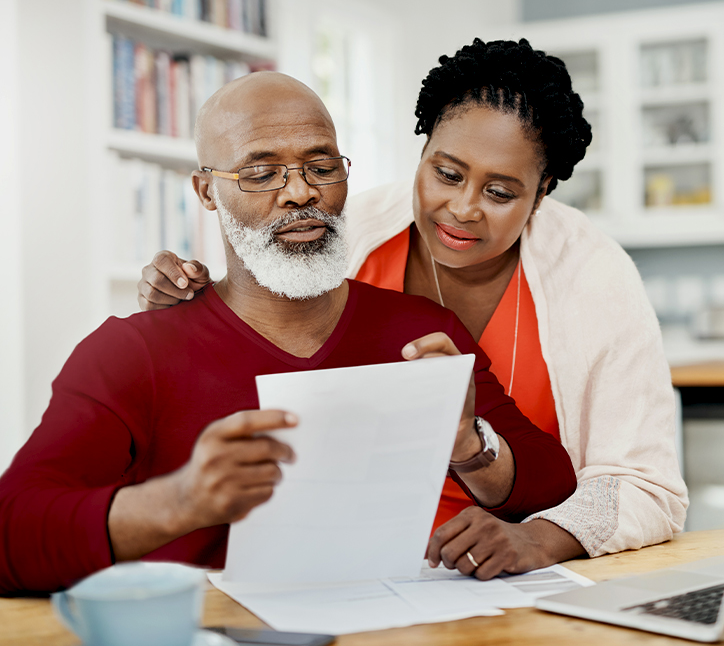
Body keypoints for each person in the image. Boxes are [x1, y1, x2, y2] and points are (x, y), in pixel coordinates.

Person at [0, 72, 575, 595]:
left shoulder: (424, 332)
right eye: (261, 172)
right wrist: (181, 501)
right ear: (207, 192)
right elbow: (12, 533)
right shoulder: (130, 352)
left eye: (321, 167)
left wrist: (468, 445)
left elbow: (551, 481)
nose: (300, 192)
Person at [139, 39, 688, 577]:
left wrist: (538, 540)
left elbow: (647, 486)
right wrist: (183, 304)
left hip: (506, 572)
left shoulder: (594, 277)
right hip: (346, 558)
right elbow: (255, 346)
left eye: (500, 193)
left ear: (541, 194)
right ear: (422, 152)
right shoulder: (347, 235)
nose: (463, 208)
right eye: (446, 174)